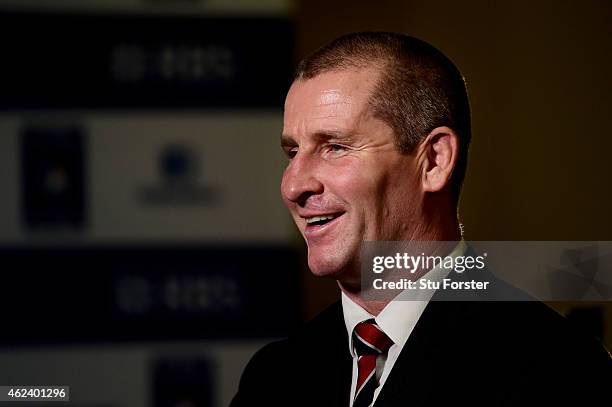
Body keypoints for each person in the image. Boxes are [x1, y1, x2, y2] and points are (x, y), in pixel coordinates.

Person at [230, 32, 611, 407]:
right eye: (293, 151)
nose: (294, 184)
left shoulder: (555, 370)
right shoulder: (273, 377)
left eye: (335, 147)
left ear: (434, 161)